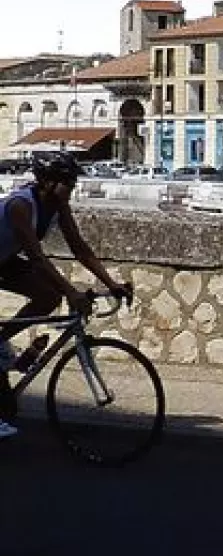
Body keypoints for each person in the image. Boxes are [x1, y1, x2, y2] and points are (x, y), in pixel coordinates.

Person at [0, 152, 131, 440]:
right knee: (55, 291)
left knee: (48, 297)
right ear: (47, 182)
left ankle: (1, 344)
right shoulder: (20, 206)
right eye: (67, 184)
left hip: (4, 260)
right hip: (7, 260)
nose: (71, 190)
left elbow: (79, 248)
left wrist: (112, 282)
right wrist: (72, 292)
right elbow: (37, 258)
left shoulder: (58, 205)